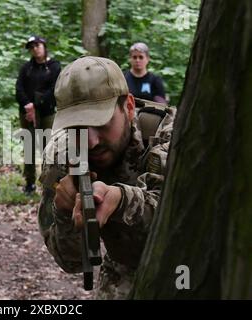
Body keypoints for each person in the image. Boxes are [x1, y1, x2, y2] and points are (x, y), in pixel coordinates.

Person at [38, 56, 176, 299]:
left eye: (100, 123)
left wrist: (122, 201)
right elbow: (71, 263)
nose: (91, 141)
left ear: (129, 106)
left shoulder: (170, 137)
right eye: (77, 127)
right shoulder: (63, 154)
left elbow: (178, 225)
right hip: (120, 269)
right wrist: (64, 212)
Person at [16, 35, 61, 195]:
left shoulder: (54, 66)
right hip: (27, 114)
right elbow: (19, 89)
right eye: (32, 47)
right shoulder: (26, 68)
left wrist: (36, 105)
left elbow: (54, 89)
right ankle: (29, 183)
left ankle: (50, 183)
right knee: (29, 148)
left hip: (47, 113)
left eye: (37, 45)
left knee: (48, 149)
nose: (35, 49)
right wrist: (27, 105)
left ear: (44, 45)